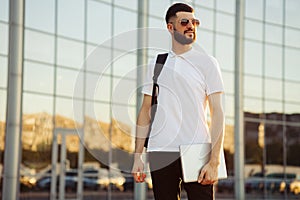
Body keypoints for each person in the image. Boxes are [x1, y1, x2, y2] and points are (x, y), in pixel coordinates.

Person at [132, 3, 225, 200]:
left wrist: (214, 161)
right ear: (170, 27)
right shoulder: (156, 64)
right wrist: (137, 156)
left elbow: (218, 113)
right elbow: (145, 111)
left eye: (194, 22)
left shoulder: (208, 63)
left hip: (197, 149)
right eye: (184, 22)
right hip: (160, 151)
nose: (191, 25)